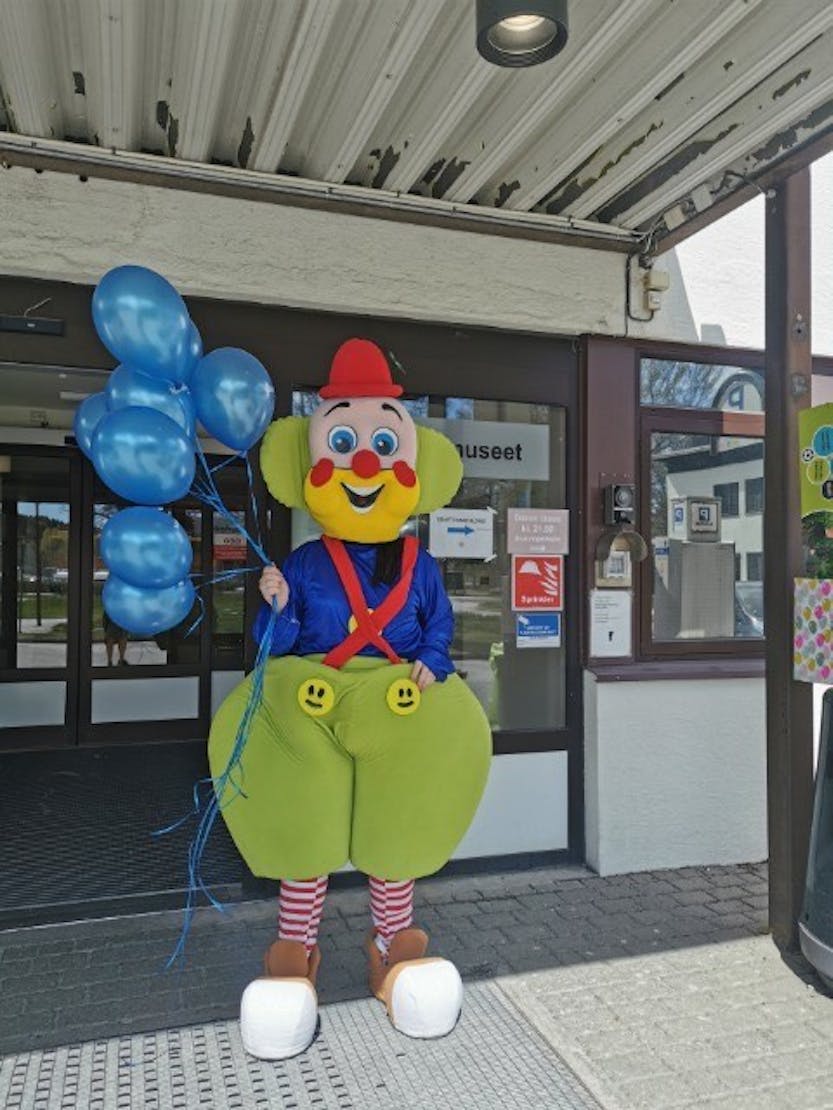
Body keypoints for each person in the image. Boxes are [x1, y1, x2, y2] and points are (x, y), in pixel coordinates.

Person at [209, 338, 491, 1060]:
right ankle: (295, 953)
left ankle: (392, 949)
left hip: (397, 706)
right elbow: (285, 637)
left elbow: (438, 622)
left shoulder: (418, 562)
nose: (363, 464)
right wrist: (274, 603)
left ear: (415, 462)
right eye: (341, 443)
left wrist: (430, 661)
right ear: (307, 465)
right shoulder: (303, 561)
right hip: (315, 706)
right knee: (305, 837)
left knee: (392, 839)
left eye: (379, 445)